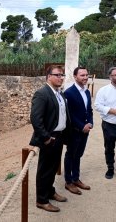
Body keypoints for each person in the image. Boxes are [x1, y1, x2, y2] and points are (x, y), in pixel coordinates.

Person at [29, 65, 71, 212]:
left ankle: (50, 191)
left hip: (59, 136)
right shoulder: (42, 93)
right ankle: (41, 199)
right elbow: (35, 119)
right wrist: (46, 138)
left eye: (62, 75)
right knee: (44, 170)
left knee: (53, 168)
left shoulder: (59, 93)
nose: (60, 78)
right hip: (49, 138)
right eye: (57, 75)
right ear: (49, 76)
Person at [63, 66, 93, 195]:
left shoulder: (86, 92)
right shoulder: (69, 93)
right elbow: (69, 114)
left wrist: (90, 123)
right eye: (82, 75)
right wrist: (82, 126)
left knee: (78, 155)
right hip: (74, 131)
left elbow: (89, 110)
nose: (85, 77)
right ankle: (68, 182)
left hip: (85, 130)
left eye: (86, 75)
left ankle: (76, 178)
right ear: (75, 77)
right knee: (70, 155)